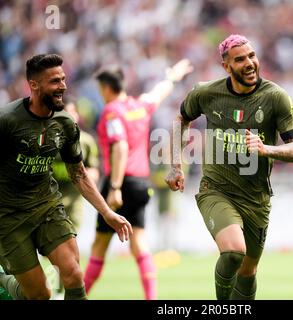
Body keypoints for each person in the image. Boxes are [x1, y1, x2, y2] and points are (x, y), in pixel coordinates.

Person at [165, 35, 293, 300]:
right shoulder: (206, 92)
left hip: (256, 199)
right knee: (233, 252)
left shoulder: (276, 97)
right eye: (240, 59)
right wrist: (176, 166)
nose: (250, 63)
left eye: (252, 56)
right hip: (216, 190)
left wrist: (267, 149)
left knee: (248, 271)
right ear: (226, 67)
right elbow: (181, 119)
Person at [0, 53, 132, 300]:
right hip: (9, 216)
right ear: (34, 85)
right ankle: (3, 280)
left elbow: (79, 174)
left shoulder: (65, 123)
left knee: (73, 273)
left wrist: (107, 212)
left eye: (63, 79)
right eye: (54, 81)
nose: (63, 86)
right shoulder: (7, 121)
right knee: (40, 294)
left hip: (46, 207)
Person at [83, 59, 193, 300]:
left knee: (99, 245)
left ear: (106, 88)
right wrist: (172, 78)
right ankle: (151, 299)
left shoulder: (112, 111)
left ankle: (78, 297)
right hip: (142, 183)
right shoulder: (139, 106)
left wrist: (114, 186)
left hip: (119, 182)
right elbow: (158, 94)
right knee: (140, 244)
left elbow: (120, 146)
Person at [52, 99, 100, 230]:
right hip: (50, 202)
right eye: (65, 113)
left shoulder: (87, 142)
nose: (69, 116)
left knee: (72, 241)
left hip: (75, 202)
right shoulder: (47, 141)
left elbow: (94, 170)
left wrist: (85, 175)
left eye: (72, 112)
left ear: (77, 115)